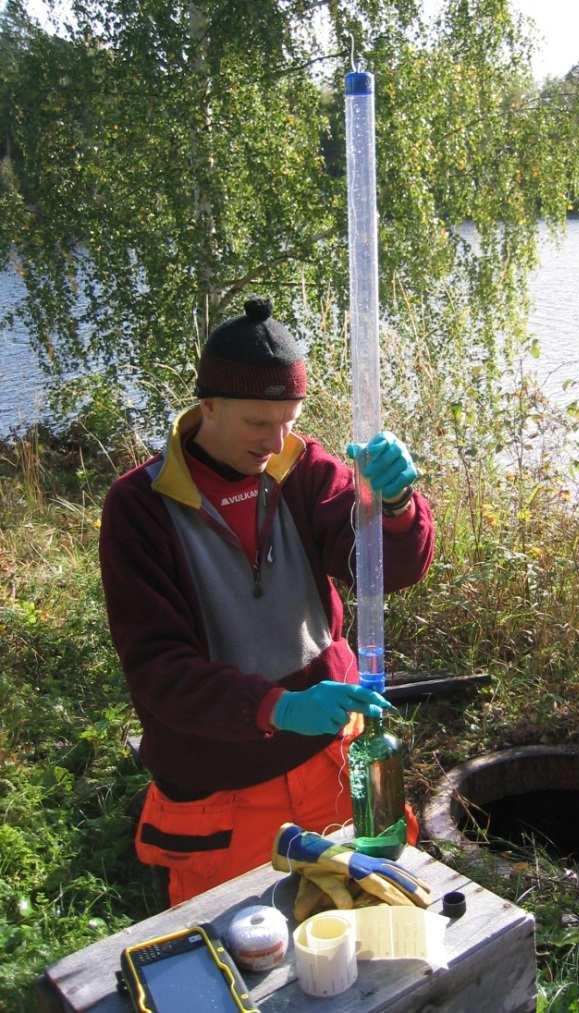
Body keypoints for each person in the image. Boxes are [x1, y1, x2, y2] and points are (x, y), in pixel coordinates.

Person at [99, 295, 434, 906]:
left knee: (366, 930)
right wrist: (277, 707)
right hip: (221, 790)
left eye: (288, 418)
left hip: (333, 761)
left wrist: (395, 505)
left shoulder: (303, 470)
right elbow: (158, 671)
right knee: (240, 959)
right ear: (207, 407)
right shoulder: (139, 508)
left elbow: (388, 569)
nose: (275, 440)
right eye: (258, 423)